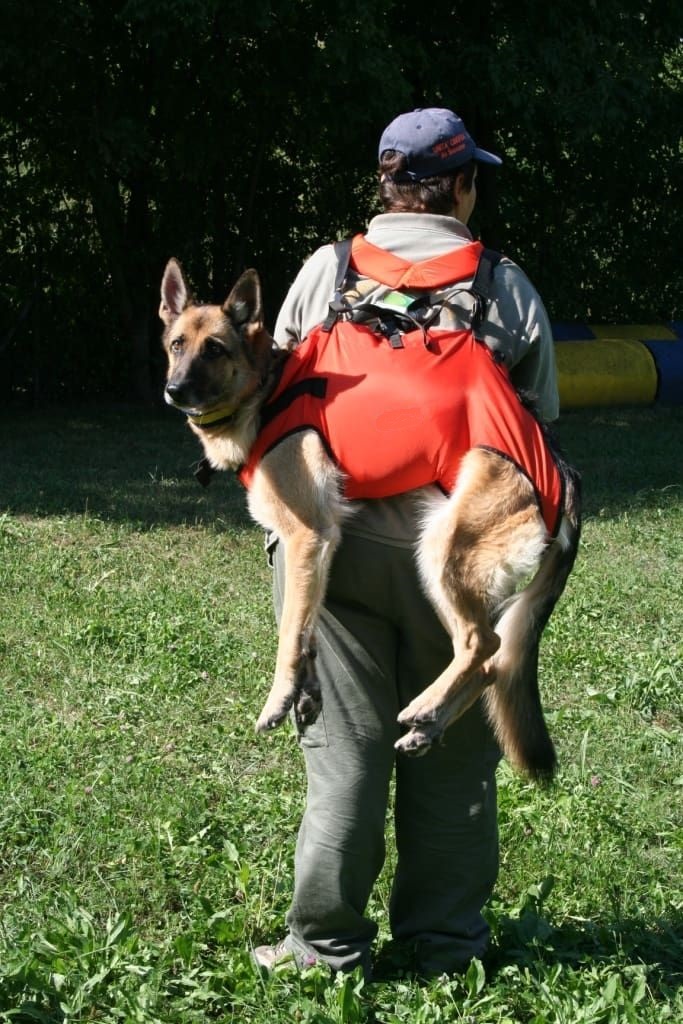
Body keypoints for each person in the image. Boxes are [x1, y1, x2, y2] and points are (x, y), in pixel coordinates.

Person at [252, 108, 559, 980]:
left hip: (332, 547)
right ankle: (443, 948)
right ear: (460, 186)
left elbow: (275, 396)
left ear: (387, 185)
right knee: (456, 761)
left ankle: (323, 948)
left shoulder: (326, 270)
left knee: (342, 755)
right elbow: (534, 428)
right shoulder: (504, 285)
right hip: (462, 548)